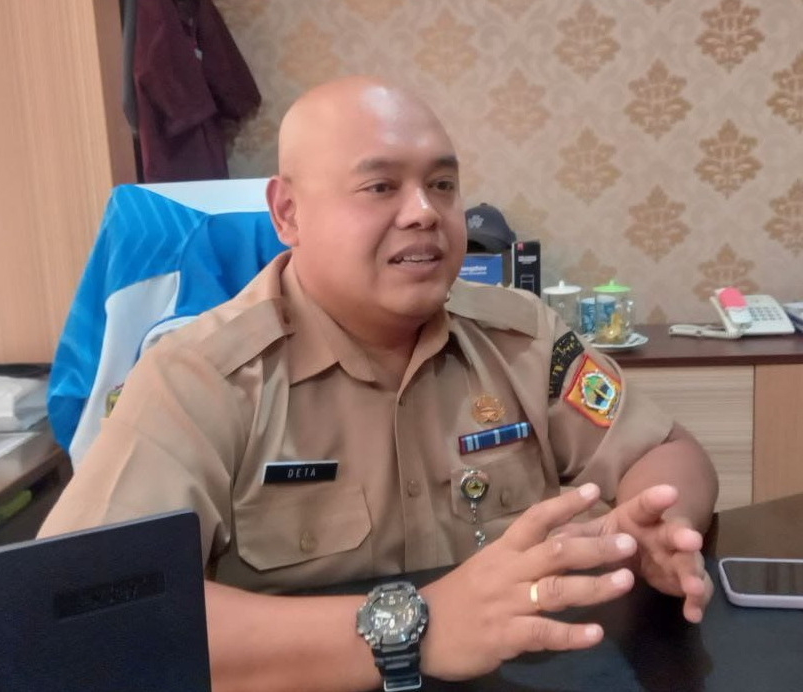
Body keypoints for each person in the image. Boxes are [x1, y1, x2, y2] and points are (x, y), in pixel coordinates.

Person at [39, 75, 718, 692]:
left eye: (442, 185)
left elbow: (666, 450)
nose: (424, 212)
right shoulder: (199, 377)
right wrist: (417, 627)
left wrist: (664, 526)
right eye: (380, 187)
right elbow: (88, 613)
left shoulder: (522, 335)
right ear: (288, 213)